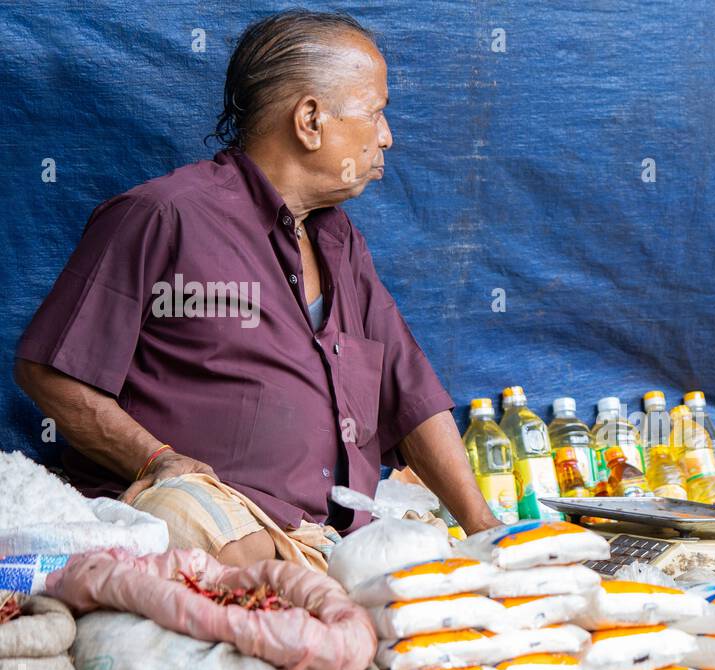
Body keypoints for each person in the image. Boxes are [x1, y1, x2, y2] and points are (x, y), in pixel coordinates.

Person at [14, 11, 500, 569]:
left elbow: (410, 395)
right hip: (221, 526)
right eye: (375, 113)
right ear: (310, 121)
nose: (386, 135)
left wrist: (485, 530)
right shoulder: (164, 215)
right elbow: (48, 370)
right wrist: (155, 460)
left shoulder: (341, 242)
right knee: (182, 510)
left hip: (328, 541)